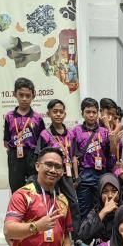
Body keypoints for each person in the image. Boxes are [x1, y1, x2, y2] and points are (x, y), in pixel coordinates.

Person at [72, 97, 120, 226]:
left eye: (94, 112)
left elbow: (112, 153)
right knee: (84, 209)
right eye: (88, 112)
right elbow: (74, 156)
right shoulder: (76, 131)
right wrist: (76, 178)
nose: (91, 115)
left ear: (98, 113)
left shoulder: (104, 131)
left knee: (101, 206)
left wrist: (113, 140)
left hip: (101, 175)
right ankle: (84, 235)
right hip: (85, 175)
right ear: (82, 113)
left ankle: (100, 233)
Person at [37, 100, 81, 234]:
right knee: (52, 202)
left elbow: (74, 156)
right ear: (48, 114)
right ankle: (53, 233)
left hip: (66, 174)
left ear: (65, 114)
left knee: (73, 203)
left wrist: (76, 177)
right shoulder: (45, 134)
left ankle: (76, 236)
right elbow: (40, 156)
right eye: (55, 112)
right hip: (51, 174)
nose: (58, 114)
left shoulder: (71, 134)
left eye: (61, 112)